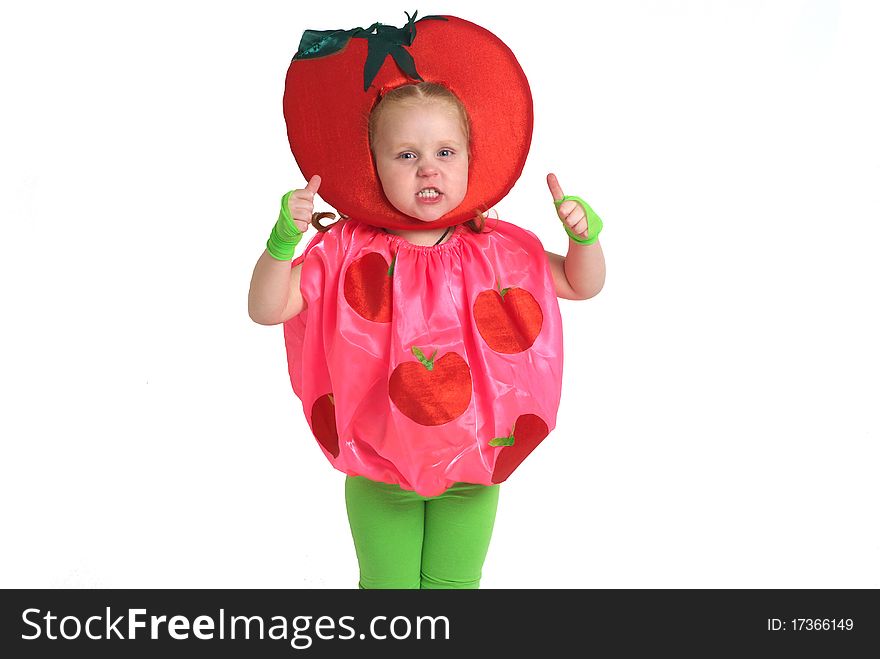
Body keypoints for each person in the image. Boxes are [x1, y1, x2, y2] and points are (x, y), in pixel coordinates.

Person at [248, 16, 605, 589]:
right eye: (406, 155)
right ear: (373, 167)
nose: (429, 168)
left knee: (454, 588)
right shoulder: (344, 252)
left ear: (471, 159)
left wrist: (584, 239)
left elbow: (580, 285)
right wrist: (282, 245)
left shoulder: (497, 251)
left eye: (444, 150)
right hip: (380, 469)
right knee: (387, 591)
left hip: (475, 462)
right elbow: (268, 309)